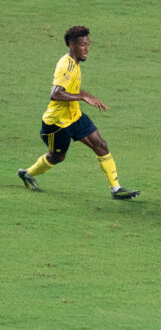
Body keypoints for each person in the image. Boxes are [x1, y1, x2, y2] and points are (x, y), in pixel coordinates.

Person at [17, 26, 140, 200]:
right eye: (83, 45)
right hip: (57, 124)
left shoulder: (75, 63)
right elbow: (55, 94)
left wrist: (86, 96)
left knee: (101, 145)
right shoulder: (65, 66)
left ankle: (116, 189)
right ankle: (27, 174)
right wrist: (82, 96)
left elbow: (71, 89)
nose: (87, 49)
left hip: (74, 116)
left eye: (88, 44)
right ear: (72, 45)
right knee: (58, 157)